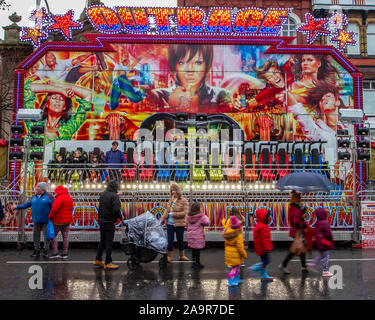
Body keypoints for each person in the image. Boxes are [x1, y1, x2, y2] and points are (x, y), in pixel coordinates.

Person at [150, 44, 231, 113]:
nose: (190, 70)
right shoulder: (159, 96)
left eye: (198, 63)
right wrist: (170, 109)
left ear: (207, 65)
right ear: (174, 65)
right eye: (182, 63)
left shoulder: (221, 95)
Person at [14, 182, 52, 258]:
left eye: (38, 187)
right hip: (36, 220)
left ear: (43, 189)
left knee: (46, 237)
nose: (36, 188)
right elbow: (26, 205)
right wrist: (16, 207)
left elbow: (54, 207)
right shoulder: (33, 197)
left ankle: (46, 251)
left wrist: (52, 217)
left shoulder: (49, 197)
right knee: (36, 236)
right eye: (36, 187)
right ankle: (36, 251)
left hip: (46, 221)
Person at [93, 180, 123, 270]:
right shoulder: (114, 196)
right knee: (109, 242)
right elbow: (116, 210)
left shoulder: (103, 194)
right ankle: (108, 262)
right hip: (109, 221)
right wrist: (120, 217)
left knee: (102, 240)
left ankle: (98, 259)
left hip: (102, 220)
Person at [279, 190, 308, 274]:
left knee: (301, 248)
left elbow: (297, 218)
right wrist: (302, 218)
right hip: (297, 231)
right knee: (295, 249)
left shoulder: (295, 208)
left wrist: (302, 213)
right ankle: (283, 265)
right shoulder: (294, 208)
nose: (300, 199)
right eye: (299, 198)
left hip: (298, 231)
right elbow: (295, 221)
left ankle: (303, 267)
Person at [161, 183, 189, 262]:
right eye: (172, 190)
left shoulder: (184, 201)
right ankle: (169, 256)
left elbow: (185, 213)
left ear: (178, 191)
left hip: (179, 224)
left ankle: (182, 255)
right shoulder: (171, 200)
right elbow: (167, 211)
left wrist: (173, 214)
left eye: (175, 190)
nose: (173, 192)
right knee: (170, 240)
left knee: (180, 240)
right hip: (170, 224)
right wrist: (162, 219)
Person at [307, 208, 335, 277]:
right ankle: (325, 271)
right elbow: (328, 234)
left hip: (320, 242)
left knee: (323, 255)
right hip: (325, 242)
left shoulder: (318, 222)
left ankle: (312, 263)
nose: (328, 215)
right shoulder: (325, 222)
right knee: (326, 256)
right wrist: (331, 241)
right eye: (327, 213)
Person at [48, 185, 73, 259]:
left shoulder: (59, 198)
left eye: (55, 192)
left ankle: (55, 252)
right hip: (67, 221)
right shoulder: (69, 197)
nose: (54, 194)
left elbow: (54, 209)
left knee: (54, 236)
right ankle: (65, 253)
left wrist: (50, 217)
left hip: (58, 221)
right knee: (65, 236)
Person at [249, 209, 274, 281]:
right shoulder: (263, 226)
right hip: (264, 248)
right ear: (264, 217)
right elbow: (265, 239)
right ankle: (254, 268)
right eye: (267, 217)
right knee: (267, 260)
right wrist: (267, 248)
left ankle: (264, 275)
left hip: (260, 248)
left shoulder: (258, 225)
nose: (268, 218)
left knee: (264, 261)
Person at [223, 216, 247, 286]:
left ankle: (235, 279)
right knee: (235, 268)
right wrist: (244, 254)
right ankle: (231, 281)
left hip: (229, 253)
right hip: (236, 254)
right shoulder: (238, 235)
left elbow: (225, 244)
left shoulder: (228, 232)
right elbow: (240, 247)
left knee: (236, 268)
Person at [186, 202, 210, 269]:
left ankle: (193, 263)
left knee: (193, 249)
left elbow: (186, 224)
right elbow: (207, 222)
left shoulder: (188, 216)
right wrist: (204, 215)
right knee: (197, 250)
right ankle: (197, 263)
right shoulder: (201, 217)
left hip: (191, 235)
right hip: (198, 236)